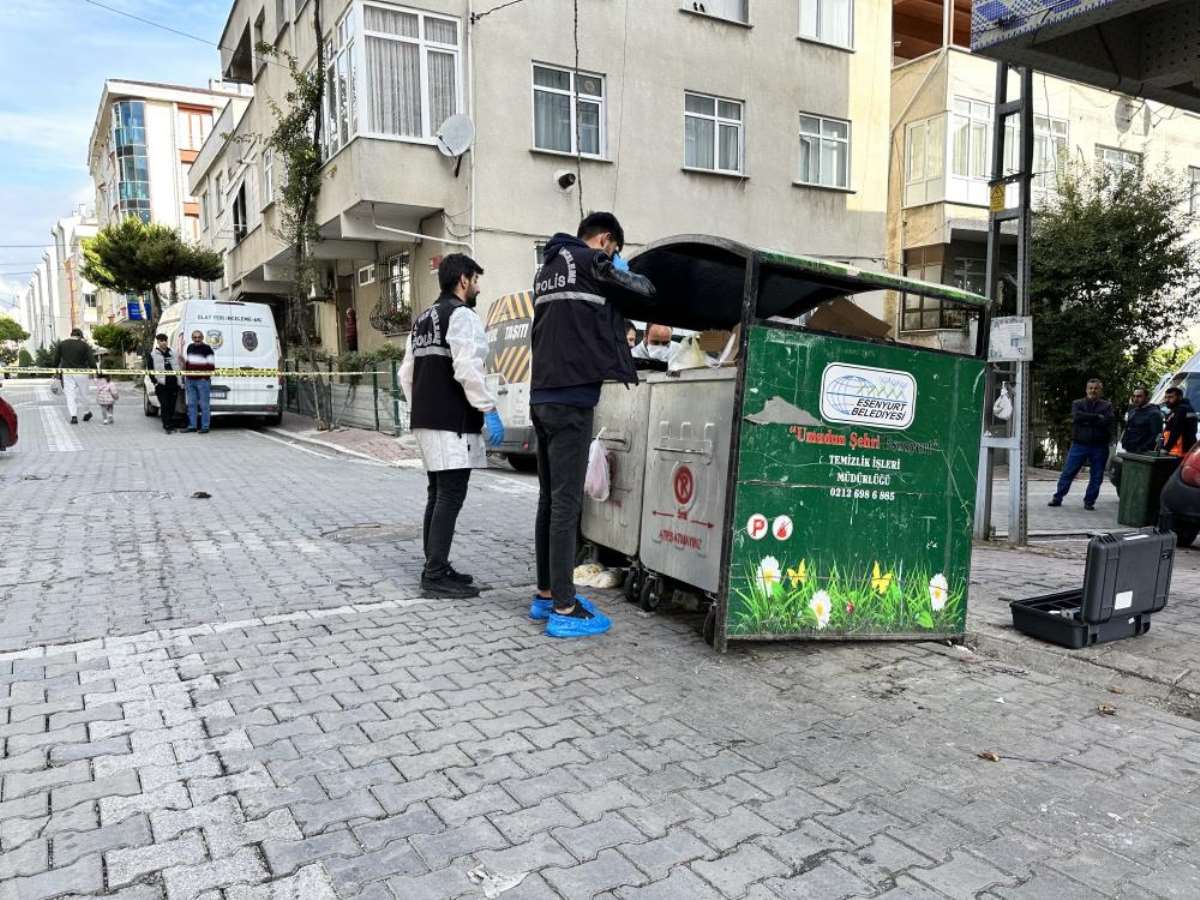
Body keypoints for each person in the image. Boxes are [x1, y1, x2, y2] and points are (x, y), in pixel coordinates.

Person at [529, 212, 656, 637]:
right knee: (567, 504)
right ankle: (565, 608)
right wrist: (620, 268)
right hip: (571, 398)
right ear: (604, 240)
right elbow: (645, 292)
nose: (613, 257)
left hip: (542, 396)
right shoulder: (591, 261)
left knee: (550, 500)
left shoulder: (547, 268)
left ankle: (546, 594)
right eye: (614, 250)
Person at [399, 253, 504, 599]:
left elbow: (405, 374)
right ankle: (434, 574)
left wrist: (421, 410)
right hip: (452, 422)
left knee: (437, 493)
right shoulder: (461, 316)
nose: (478, 286)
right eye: (475, 279)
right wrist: (487, 408)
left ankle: (437, 565)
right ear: (463, 279)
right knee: (450, 495)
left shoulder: (423, 318)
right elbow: (467, 368)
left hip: (428, 420)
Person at [1049, 378, 1115, 511]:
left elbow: (1107, 421)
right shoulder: (1077, 403)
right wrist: (1097, 417)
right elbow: (1077, 417)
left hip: (1099, 446)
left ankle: (1089, 501)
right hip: (1079, 444)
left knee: (1097, 475)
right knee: (1068, 472)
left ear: (1100, 390)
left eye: (1096, 388)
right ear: (1086, 389)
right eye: (1090, 388)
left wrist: (1087, 418)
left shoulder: (1107, 406)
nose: (1093, 391)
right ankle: (1058, 497)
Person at [52, 328, 96, 424]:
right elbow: (91, 359)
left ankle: (73, 416)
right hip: (82, 372)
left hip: (67, 372)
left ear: (71, 335)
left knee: (70, 394)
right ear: (80, 336)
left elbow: (56, 359)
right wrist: (95, 369)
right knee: (84, 393)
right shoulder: (84, 345)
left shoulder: (62, 344)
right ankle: (87, 412)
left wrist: (54, 369)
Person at [145, 333, 180, 434]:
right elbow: (150, 370)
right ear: (158, 342)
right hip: (161, 385)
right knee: (164, 405)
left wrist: (180, 381)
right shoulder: (152, 354)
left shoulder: (173, 352)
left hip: (173, 384)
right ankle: (167, 426)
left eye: (165, 340)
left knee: (172, 406)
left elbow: (178, 366)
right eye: (161, 341)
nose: (163, 342)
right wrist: (155, 382)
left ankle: (171, 424)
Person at [182, 330, 215, 434]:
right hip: (190, 380)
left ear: (202, 338)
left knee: (204, 405)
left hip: (202, 381)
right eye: (195, 337)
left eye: (199, 337)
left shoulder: (207, 349)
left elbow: (211, 365)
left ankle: (205, 427)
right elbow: (188, 362)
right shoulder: (190, 347)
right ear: (192, 338)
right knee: (191, 404)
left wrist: (205, 377)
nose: (197, 339)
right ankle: (192, 426)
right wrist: (186, 375)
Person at [1120, 387, 1163, 453]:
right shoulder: (1133, 411)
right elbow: (1128, 429)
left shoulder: (1154, 413)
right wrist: (1123, 442)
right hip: (1127, 449)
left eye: (1139, 396)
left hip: (1141, 453)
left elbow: (1156, 435)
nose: (1135, 399)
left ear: (1147, 398)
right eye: (1134, 396)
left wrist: (1143, 448)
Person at [1163, 386, 1197, 457]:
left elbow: (1176, 429)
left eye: (1170, 397)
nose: (1166, 400)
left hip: (1178, 450)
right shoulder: (1183, 408)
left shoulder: (1181, 409)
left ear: (1180, 397)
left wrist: (1166, 448)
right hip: (1181, 449)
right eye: (1166, 397)